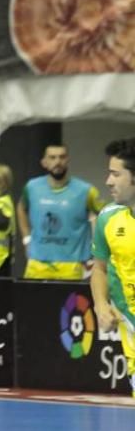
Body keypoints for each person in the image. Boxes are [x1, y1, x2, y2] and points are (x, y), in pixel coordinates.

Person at [17, 144, 104, 281]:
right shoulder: (32, 187)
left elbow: (106, 215)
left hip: (73, 265)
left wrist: (98, 250)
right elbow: (21, 208)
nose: (57, 162)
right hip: (37, 263)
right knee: (33, 302)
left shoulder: (86, 190)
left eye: (62, 157)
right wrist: (26, 238)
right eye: (52, 157)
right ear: (44, 162)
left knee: (69, 303)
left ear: (68, 160)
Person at [91, 138, 135, 398]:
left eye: (116, 174)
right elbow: (100, 269)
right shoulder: (108, 217)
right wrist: (100, 305)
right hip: (130, 327)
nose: (108, 182)